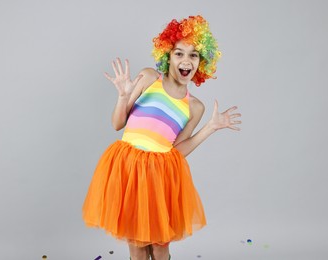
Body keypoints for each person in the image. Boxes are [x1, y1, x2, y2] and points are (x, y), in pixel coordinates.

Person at [83, 15, 241, 260]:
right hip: (128, 170)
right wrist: (123, 97)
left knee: (159, 246)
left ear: (202, 62)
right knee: (136, 244)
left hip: (158, 177)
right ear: (167, 55)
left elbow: (177, 151)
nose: (186, 60)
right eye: (179, 53)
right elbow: (117, 124)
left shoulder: (194, 107)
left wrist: (210, 128)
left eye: (193, 55)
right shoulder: (148, 78)